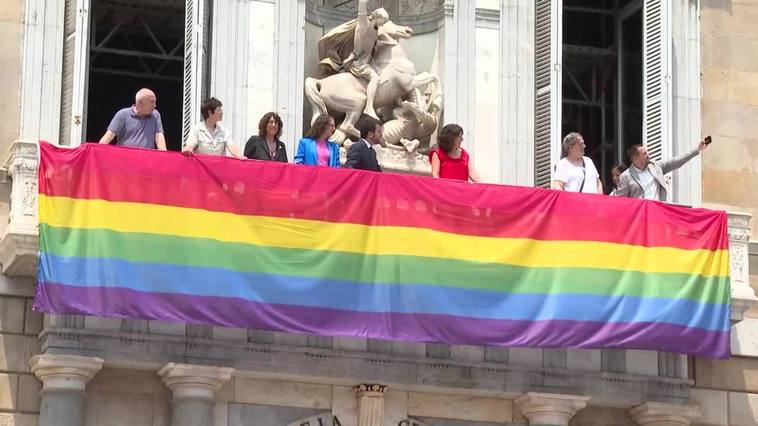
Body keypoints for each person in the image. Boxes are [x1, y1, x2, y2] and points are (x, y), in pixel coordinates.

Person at [340, 0, 389, 120]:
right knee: (375, 78)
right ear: (377, 17)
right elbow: (362, 4)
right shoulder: (364, 24)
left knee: (384, 78)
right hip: (359, 64)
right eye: (382, 22)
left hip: (367, 63)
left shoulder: (374, 31)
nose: (382, 25)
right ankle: (368, 107)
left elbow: (372, 45)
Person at [615, 140, 709, 201]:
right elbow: (620, 202)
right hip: (639, 218)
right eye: (644, 154)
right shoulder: (626, 176)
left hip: (657, 213)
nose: (649, 155)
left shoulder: (656, 167)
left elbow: (676, 162)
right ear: (635, 159)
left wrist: (697, 149)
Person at [98, 88, 167, 150]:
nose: (155, 105)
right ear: (140, 102)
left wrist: (165, 156)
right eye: (152, 102)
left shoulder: (155, 115)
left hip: (147, 160)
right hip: (125, 159)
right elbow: (108, 136)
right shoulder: (123, 114)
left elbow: (159, 137)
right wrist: (98, 152)